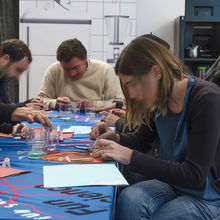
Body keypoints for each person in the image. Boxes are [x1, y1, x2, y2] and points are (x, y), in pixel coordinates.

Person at [89, 37, 220, 219]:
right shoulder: (159, 98)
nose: (132, 95)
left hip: (206, 196)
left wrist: (130, 156)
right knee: (129, 200)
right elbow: (141, 141)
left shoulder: (207, 99)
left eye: (132, 84)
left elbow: (194, 175)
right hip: (173, 183)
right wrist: (115, 138)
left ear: (156, 72)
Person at [38, 38, 124, 110]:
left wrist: (93, 105)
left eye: (75, 68)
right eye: (66, 69)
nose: (72, 73)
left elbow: (120, 103)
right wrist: (54, 103)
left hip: (96, 120)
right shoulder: (54, 70)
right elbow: (40, 101)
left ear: (85, 59)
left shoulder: (105, 70)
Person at [0, 39, 44, 110]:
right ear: (5, 59)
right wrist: (24, 107)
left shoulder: (3, 77)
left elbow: (6, 106)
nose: (17, 76)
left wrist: (28, 103)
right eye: (18, 70)